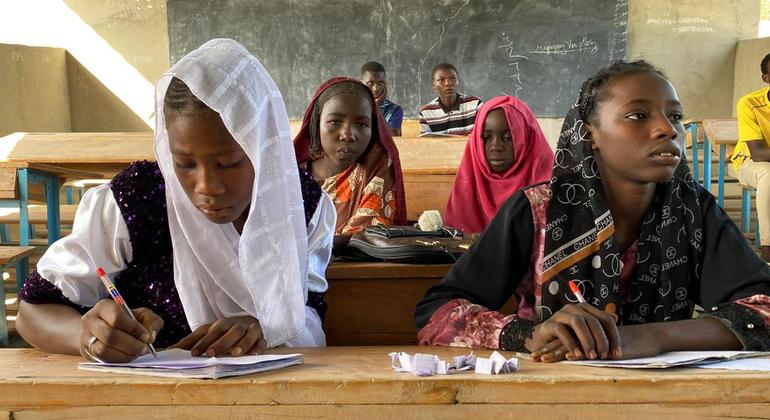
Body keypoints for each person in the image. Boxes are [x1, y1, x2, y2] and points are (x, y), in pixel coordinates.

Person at [416, 60, 770, 362]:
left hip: (660, 397)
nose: (667, 129)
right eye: (638, 115)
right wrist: (529, 335)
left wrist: (653, 337)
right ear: (591, 134)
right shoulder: (537, 211)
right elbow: (437, 313)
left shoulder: (693, 210)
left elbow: (764, 308)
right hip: (547, 391)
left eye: (675, 115)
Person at [16, 39, 335, 363]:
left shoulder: (304, 209)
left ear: (263, 147)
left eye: (228, 163)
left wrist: (265, 333)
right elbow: (32, 313)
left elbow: (309, 315)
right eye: (184, 164)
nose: (207, 187)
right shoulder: (135, 204)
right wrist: (87, 335)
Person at [293, 77, 407, 245]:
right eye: (335, 122)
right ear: (316, 125)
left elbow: (368, 238)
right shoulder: (292, 178)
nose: (348, 135)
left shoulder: (375, 169)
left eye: (361, 125)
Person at [444, 96, 553, 234]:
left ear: (526, 138)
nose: (496, 146)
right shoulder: (467, 188)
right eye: (487, 138)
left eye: (508, 138)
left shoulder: (546, 189)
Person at [730, 52, 770, 262]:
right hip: (749, 163)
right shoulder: (749, 103)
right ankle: (768, 248)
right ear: (766, 78)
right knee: (768, 173)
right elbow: (758, 153)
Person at [418, 63, 482, 136]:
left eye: (452, 78)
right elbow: (427, 144)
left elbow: (483, 137)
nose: (448, 83)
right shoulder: (426, 113)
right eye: (441, 80)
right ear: (433, 85)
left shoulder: (475, 104)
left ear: (457, 81)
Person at [360, 61, 403, 137]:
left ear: (385, 84)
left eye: (380, 83)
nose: (376, 88)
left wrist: (376, 107)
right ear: (361, 83)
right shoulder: (353, 106)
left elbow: (395, 137)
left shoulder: (394, 110)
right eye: (370, 83)